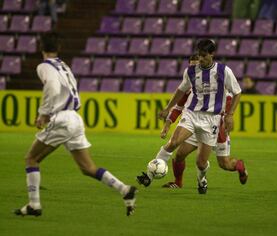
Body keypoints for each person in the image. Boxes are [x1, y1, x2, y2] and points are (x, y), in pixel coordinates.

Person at [14, 32, 137, 217]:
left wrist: (43, 114)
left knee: (31, 159)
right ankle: (125, 189)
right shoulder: (64, 66)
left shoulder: (44, 66)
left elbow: (53, 87)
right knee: (87, 168)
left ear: (41, 48)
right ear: (59, 49)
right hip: (75, 118)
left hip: (61, 119)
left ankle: (34, 205)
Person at [137, 39, 242, 194]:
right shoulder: (191, 71)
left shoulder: (224, 71)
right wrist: (167, 108)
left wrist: (230, 115)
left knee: (201, 163)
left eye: (204, 56)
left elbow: (237, 92)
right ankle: (150, 175)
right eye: (199, 55)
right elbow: (180, 91)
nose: (200, 59)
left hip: (211, 120)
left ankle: (202, 180)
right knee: (174, 143)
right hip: (192, 114)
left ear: (212, 54)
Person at [160, 57, 248, 189]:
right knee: (179, 155)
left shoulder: (219, 84)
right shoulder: (191, 89)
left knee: (224, 164)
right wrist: (167, 123)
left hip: (216, 128)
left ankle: (239, 166)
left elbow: (229, 103)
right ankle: (178, 182)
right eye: (193, 66)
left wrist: (227, 119)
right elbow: (178, 107)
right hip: (197, 124)